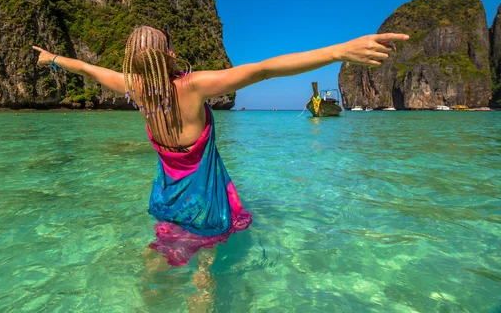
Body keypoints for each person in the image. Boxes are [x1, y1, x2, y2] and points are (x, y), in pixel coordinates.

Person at [32, 26, 408, 265]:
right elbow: (264, 69)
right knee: (205, 272)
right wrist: (339, 50)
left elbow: (85, 68)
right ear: (169, 56)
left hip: (166, 197)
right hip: (205, 200)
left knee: (158, 258)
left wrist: (52, 59)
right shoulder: (194, 86)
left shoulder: (135, 88)